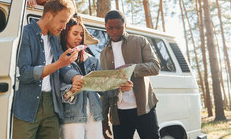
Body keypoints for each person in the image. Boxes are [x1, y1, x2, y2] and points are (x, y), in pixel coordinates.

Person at [12, 0, 83, 139]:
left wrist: (75, 77)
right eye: (62, 21)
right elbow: (25, 74)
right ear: (49, 15)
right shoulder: (25, 33)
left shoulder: (53, 38)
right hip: (27, 106)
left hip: (52, 105)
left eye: (66, 22)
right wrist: (59, 64)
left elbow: (61, 67)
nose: (64, 27)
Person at [100, 10, 161, 139]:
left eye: (119, 27)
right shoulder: (104, 53)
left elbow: (155, 67)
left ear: (125, 25)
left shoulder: (140, 41)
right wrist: (104, 120)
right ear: (105, 27)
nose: (115, 31)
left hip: (144, 109)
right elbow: (105, 88)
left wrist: (132, 69)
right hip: (119, 113)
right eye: (110, 28)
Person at [58, 15, 103, 139]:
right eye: (75, 33)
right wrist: (71, 89)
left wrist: (118, 83)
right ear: (65, 34)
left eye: (81, 34)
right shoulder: (59, 58)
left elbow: (103, 89)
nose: (79, 37)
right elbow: (57, 86)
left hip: (94, 114)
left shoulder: (92, 60)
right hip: (72, 116)